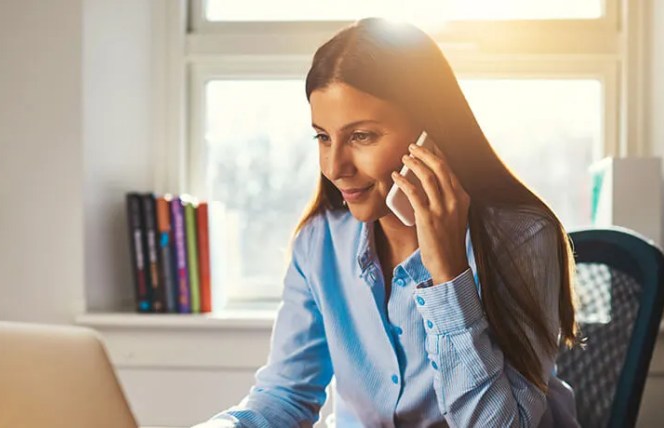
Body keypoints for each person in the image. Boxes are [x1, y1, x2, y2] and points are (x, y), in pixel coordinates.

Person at [197, 17, 580, 428]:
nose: (334, 166)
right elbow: (287, 394)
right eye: (323, 137)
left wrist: (449, 276)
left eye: (361, 136)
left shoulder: (521, 237)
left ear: (430, 135)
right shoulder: (321, 240)